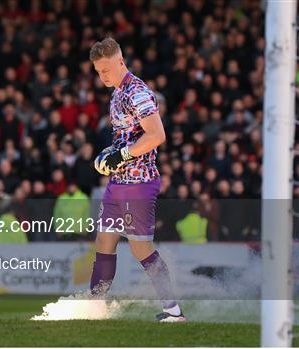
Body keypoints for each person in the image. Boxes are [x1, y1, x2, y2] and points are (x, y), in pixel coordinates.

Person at [89, 38, 185, 322]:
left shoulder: (137, 92)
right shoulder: (117, 93)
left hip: (139, 183)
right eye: (98, 71)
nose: (102, 75)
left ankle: (173, 311)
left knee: (140, 246)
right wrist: (113, 154)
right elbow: (126, 138)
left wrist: (122, 155)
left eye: (106, 68)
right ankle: (95, 305)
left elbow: (157, 135)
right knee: (104, 242)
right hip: (119, 183)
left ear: (120, 61)